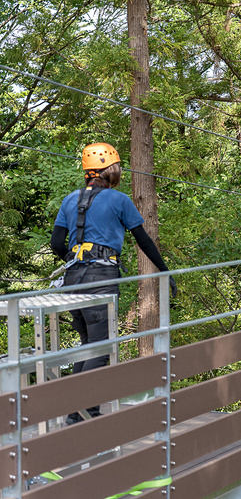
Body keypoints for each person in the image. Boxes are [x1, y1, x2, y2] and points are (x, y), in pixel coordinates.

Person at [50, 142, 176, 424]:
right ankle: (79, 411)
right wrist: (165, 271)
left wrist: (75, 259)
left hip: (73, 278)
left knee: (88, 343)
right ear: (110, 170)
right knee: (102, 347)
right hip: (100, 278)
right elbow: (143, 240)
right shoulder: (119, 200)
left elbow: (57, 242)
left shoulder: (70, 199)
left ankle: (81, 410)